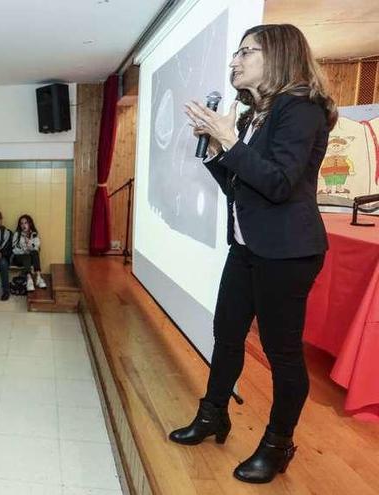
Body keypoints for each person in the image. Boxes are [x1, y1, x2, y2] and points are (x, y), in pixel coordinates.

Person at [170, 24, 337, 484]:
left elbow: (280, 185)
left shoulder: (301, 111)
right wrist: (215, 152)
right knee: (226, 334)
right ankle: (213, 416)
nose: (234, 61)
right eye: (236, 53)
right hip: (248, 246)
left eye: (247, 51)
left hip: (287, 251)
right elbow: (242, 190)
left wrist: (231, 143)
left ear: (279, 56)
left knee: (282, 353)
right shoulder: (251, 118)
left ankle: (278, 445)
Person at [11, 214, 46, 291]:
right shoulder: (17, 234)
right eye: (21, 223)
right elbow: (14, 249)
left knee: (35, 252)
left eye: (25, 223)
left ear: (30, 224)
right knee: (26, 255)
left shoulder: (34, 234)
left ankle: (38, 277)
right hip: (18, 258)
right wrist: (24, 251)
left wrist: (29, 243)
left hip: (30, 258)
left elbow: (36, 247)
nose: (24, 225)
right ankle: (29, 279)